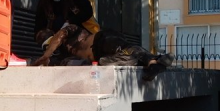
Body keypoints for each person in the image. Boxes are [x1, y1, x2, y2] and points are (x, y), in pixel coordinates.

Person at [35, 24, 174, 81]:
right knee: (116, 60)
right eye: (45, 47)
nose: (50, 47)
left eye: (49, 43)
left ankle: (153, 61)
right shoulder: (64, 54)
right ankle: (154, 63)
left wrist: (46, 54)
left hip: (101, 41)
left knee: (127, 48)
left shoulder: (68, 31)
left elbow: (60, 35)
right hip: (102, 58)